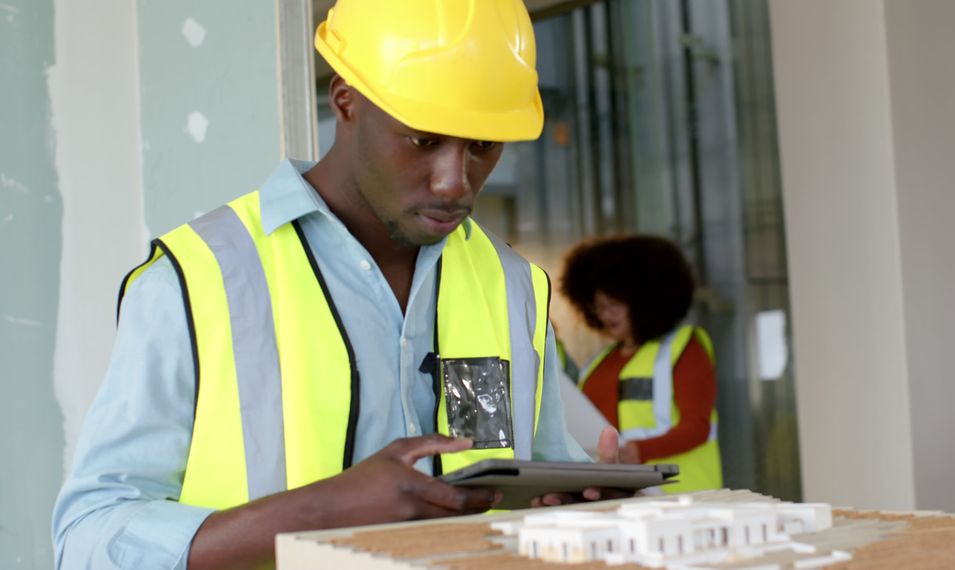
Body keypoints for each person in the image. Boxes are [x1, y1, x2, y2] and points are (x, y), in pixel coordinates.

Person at [51, 2, 623, 568]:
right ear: (345, 100)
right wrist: (319, 512)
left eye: (481, 146)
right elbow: (86, 539)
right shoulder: (198, 278)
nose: (455, 182)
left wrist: (581, 509)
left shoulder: (513, 286)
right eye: (424, 140)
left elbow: (534, 485)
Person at [561, 235, 723, 494]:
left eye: (614, 304)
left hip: (683, 497)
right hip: (624, 497)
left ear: (641, 300)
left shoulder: (683, 347)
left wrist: (640, 452)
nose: (605, 315)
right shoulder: (596, 364)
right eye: (598, 306)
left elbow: (697, 427)